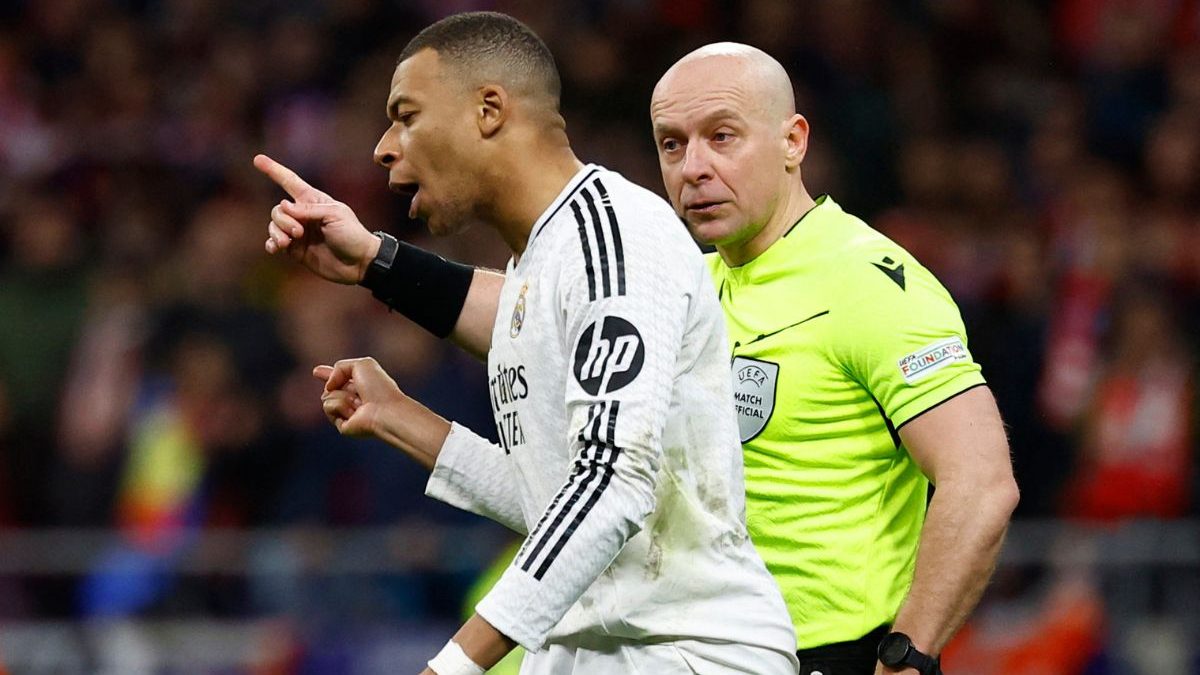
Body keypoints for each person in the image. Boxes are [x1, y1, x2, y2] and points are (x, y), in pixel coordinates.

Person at [255, 13, 797, 675]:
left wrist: (451, 665)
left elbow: (611, 484)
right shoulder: (536, 266)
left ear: (489, 110)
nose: (384, 147)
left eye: (406, 115)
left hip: (686, 652)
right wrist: (403, 419)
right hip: (593, 649)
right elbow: (556, 498)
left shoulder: (614, 240)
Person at [648, 44, 1018, 675]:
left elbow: (980, 484)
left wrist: (905, 658)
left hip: (830, 657)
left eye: (722, 137)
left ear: (793, 142)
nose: (694, 168)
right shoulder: (690, 285)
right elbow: (520, 314)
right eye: (672, 144)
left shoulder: (867, 282)